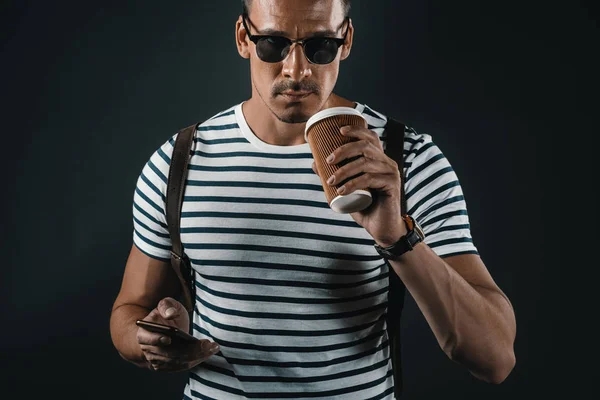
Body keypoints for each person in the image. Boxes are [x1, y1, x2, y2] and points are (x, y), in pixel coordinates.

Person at [109, 0, 517, 398]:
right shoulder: (180, 160)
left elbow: (494, 358)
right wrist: (151, 339)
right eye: (273, 43)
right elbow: (129, 311)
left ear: (347, 39)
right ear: (243, 37)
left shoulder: (404, 160)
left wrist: (398, 238)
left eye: (321, 46)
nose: (297, 69)